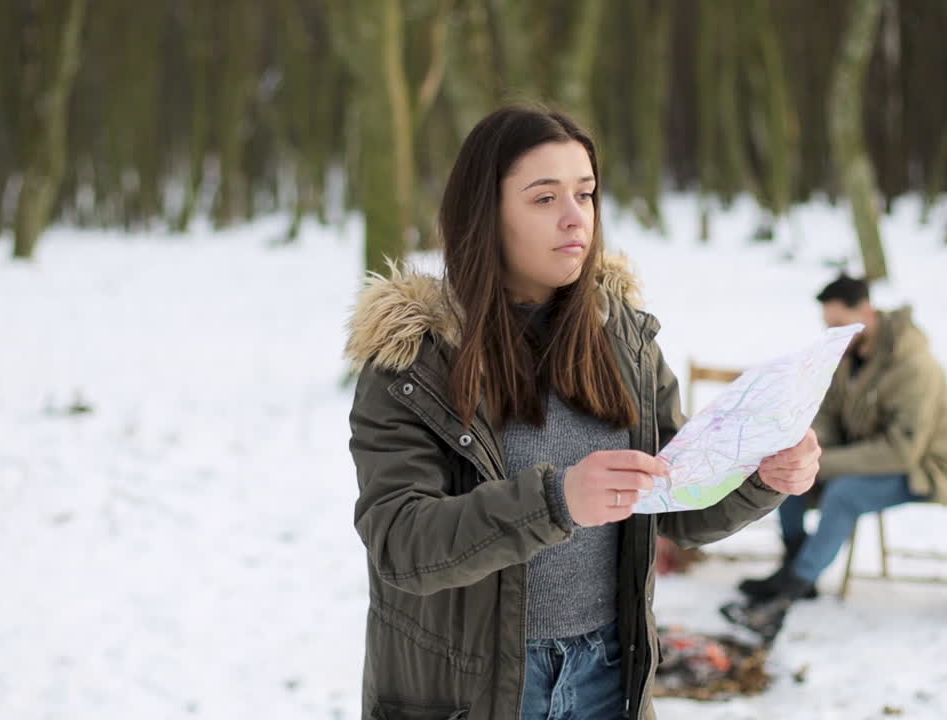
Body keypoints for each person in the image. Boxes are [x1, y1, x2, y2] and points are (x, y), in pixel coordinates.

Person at [346, 105, 820, 720]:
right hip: (474, 689)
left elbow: (674, 498)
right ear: (484, 215)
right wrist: (556, 502)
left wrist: (763, 475)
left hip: (607, 675)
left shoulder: (621, 337)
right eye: (544, 198)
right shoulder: (415, 362)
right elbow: (402, 544)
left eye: (586, 193)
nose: (576, 218)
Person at [728, 274, 947, 639]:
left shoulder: (913, 365)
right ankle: (794, 566)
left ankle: (791, 590)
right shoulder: (849, 355)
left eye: (839, 324)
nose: (833, 333)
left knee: (843, 493)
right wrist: (811, 450)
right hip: (867, 458)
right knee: (789, 472)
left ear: (867, 312)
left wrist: (825, 463)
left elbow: (902, 450)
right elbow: (827, 414)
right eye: (828, 325)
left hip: (926, 468)